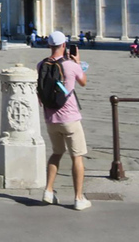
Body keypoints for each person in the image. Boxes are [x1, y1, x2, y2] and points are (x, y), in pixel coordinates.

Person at [39, 31, 90, 211]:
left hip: (50, 119)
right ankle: (78, 198)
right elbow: (83, 82)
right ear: (64, 45)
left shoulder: (41, 65)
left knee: (56, 153)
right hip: (70, 118)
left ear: (49, 45)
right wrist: (77, 63)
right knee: (77, 156)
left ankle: (48, 190)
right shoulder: (70, 65)